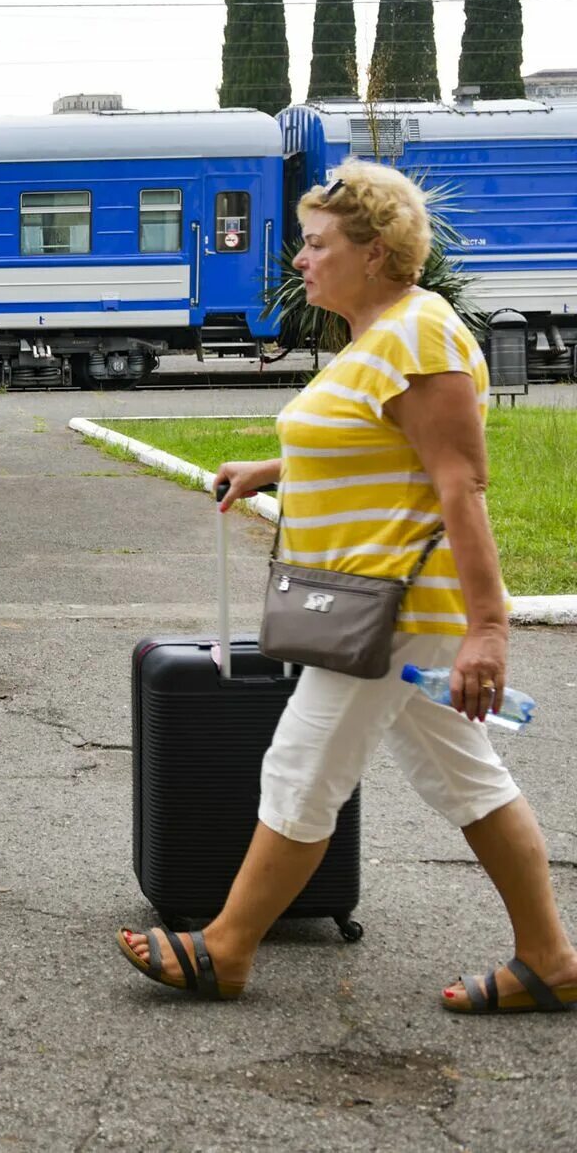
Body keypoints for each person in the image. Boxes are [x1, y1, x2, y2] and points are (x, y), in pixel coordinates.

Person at [117, 161, 577, 1013]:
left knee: (301, 769)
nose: (300, 259)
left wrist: (490, 631)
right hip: (374, 602)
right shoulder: (377, 341)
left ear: (375, 251)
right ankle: (549, 958)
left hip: (394, 607)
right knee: (467, 779)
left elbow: (461, 485)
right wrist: (269, 469)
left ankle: (226, 947)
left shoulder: (419, 335)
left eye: (317, 243)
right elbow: (370, 448)